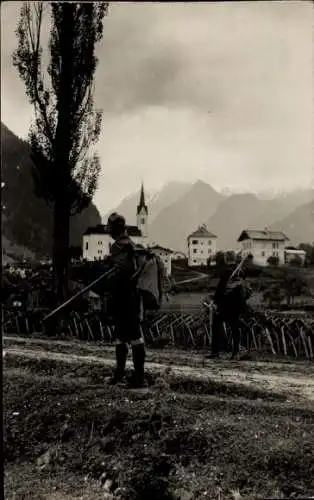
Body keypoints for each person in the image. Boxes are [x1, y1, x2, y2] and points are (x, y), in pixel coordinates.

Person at [105, 212, 147, 388]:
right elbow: (136, 266)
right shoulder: (129, 245)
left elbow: (123, 272)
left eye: (110, 228)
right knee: (121, 336)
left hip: (126, 297)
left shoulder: (121, 246)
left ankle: (138, 378)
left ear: (116, 229)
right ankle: (120, 374)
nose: (109, 232)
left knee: (134, 336)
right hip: (123, 296)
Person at [207, 255, 252, 360]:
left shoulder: (230, 273)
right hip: (235, 307)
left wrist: (215, 301)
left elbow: (220, 289)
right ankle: (234, 352)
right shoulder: (239, 272)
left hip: (226, 306)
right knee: (234, 328)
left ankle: (216, 351)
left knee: (218, 326)